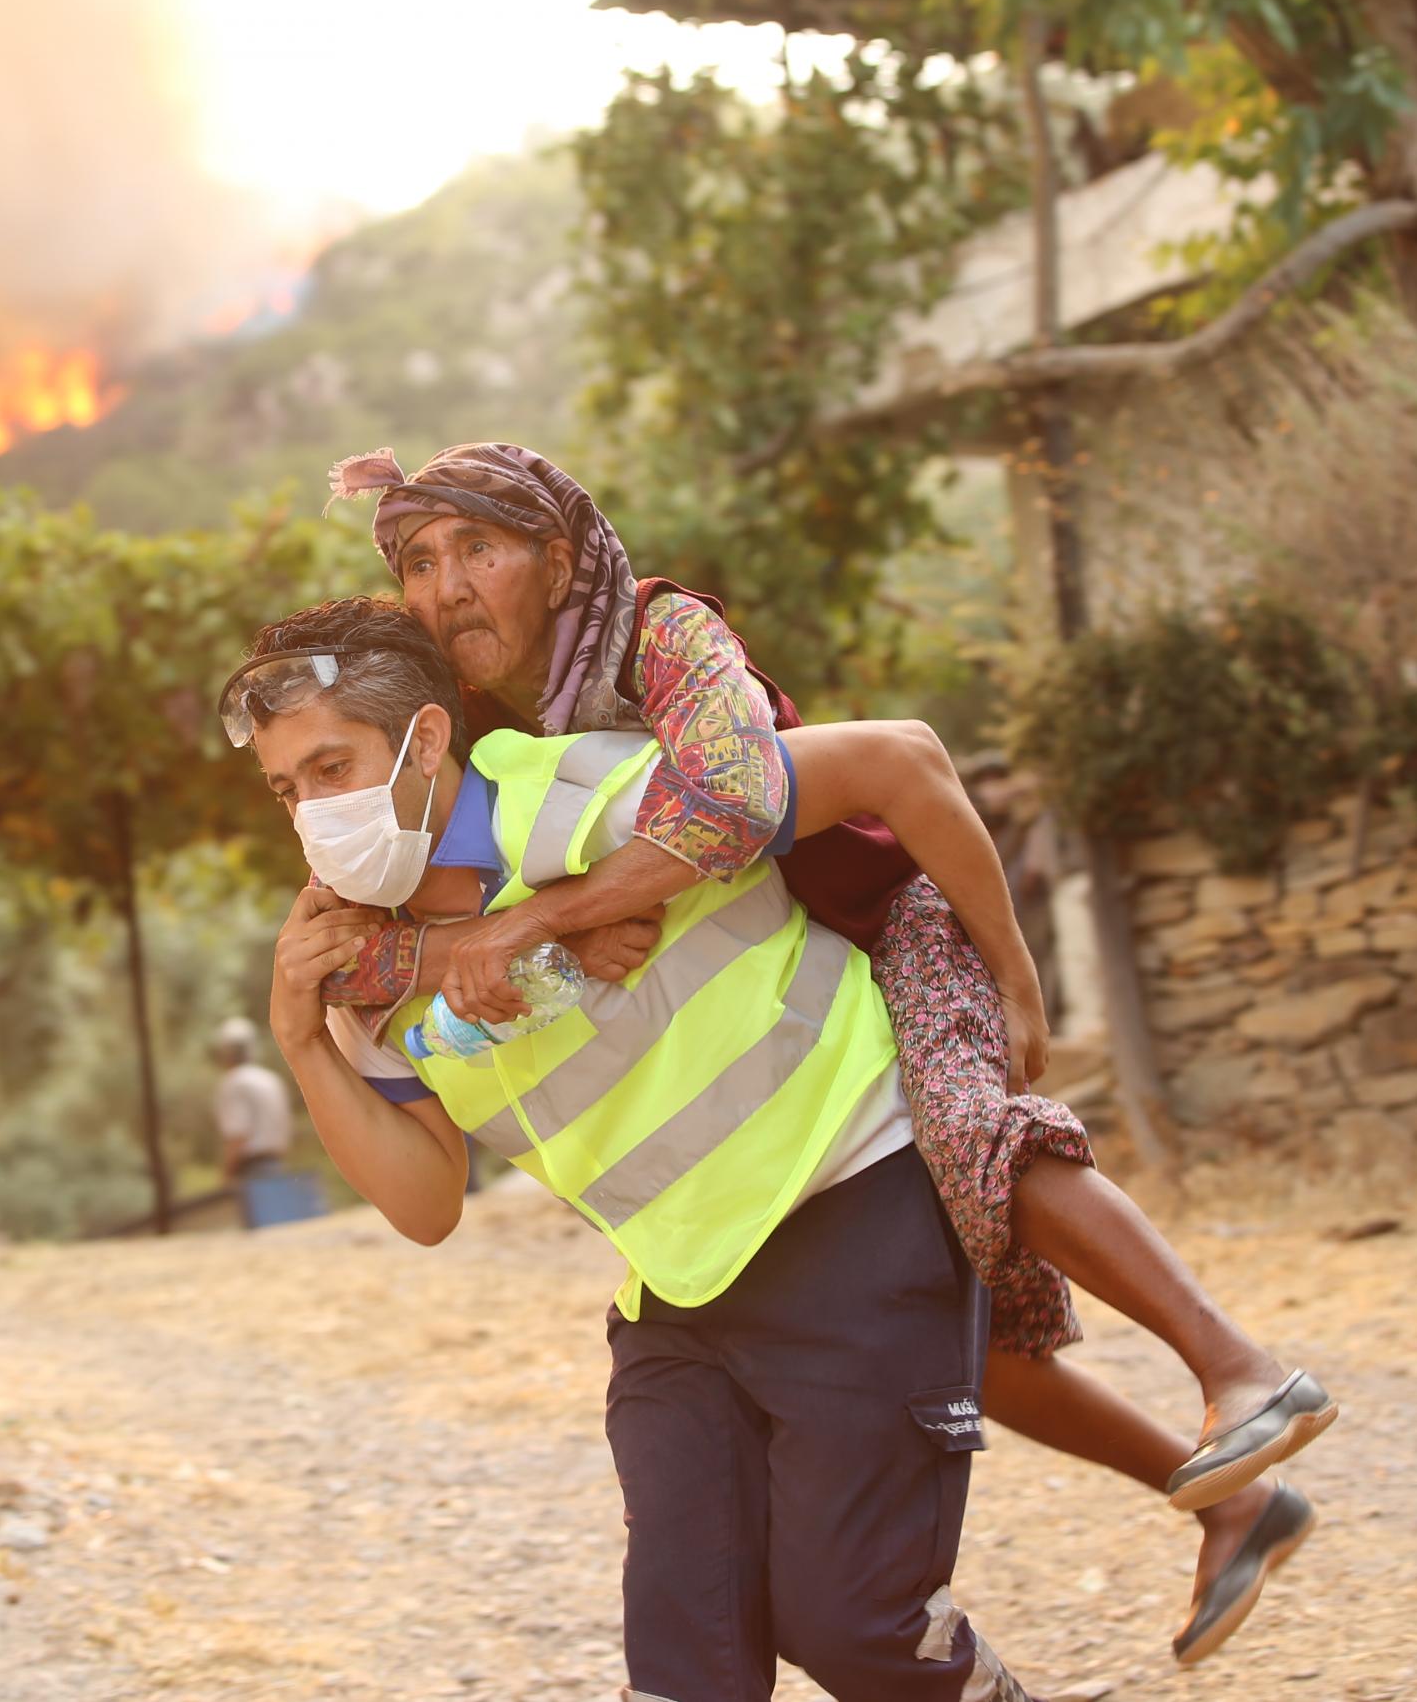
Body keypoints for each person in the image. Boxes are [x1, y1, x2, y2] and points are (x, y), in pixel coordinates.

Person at [319, 442, 1334, 1665]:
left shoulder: (662, 635)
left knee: (972, 1140)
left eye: (476, 550)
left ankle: (1244, 1370)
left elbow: (741, 806)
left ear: (558, 554)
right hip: (796, 954)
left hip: (893, 909)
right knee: (976, 1360)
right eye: (419, 562)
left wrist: (1011, 972)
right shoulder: (489, 723)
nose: (444, 588)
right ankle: (1230, 1495)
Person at [227, 598, 1032, 1700]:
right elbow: (425, 1204)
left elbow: (899, 760)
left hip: (854, 1206)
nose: (313, 812)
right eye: (287, 788)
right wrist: (301, 1041)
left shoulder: (586, 793)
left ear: (423, 739)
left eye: (332, 767)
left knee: (860, 1632)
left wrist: (1014, 985)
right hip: (680, 1293)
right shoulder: (355, 969)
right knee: (680, 1671)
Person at [211, 1017, 296, 1227]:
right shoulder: (270, 1079)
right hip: (277, 1164)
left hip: (251, 1170)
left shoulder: (234, 1083)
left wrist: (226, 1173)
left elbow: (238, 1135)